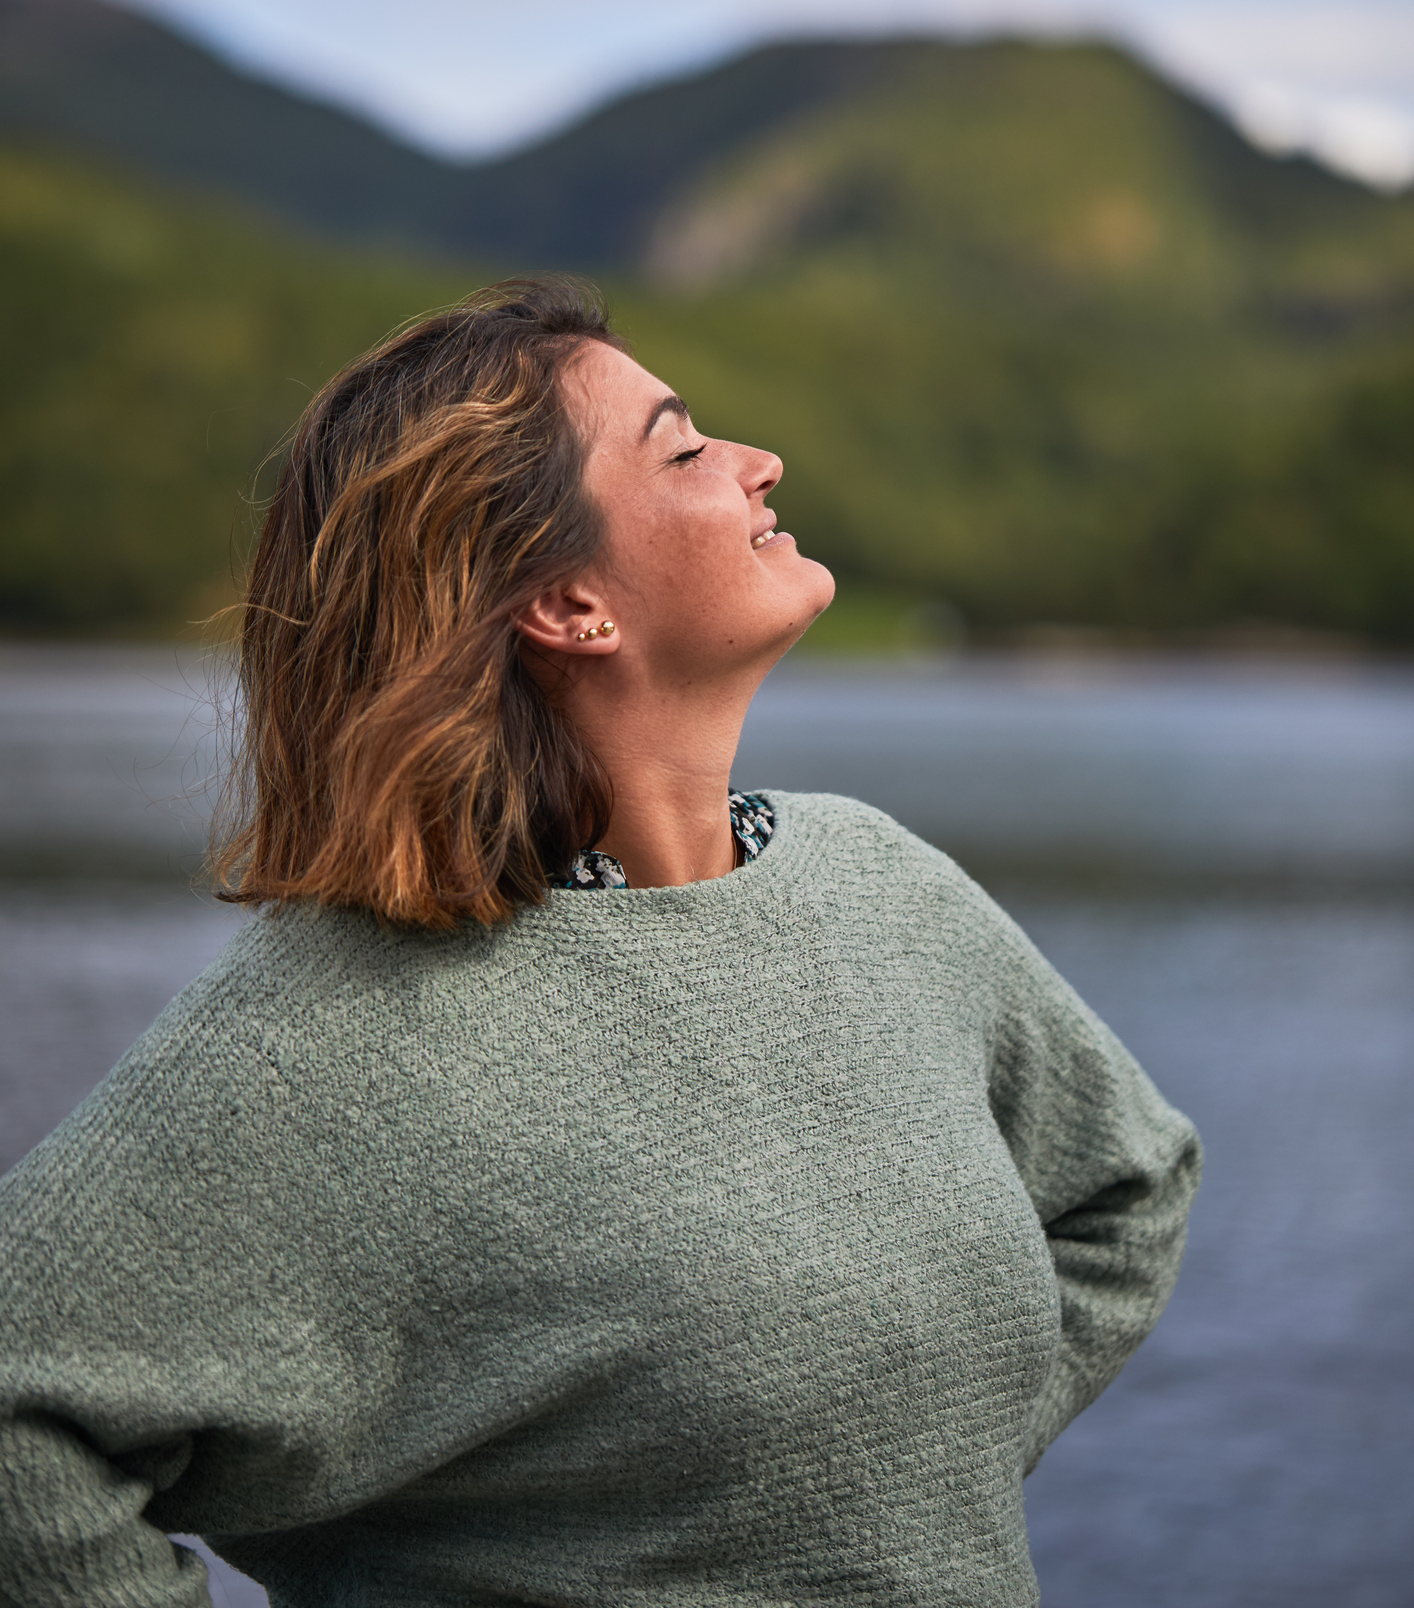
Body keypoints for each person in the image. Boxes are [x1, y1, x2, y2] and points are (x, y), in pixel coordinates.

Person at [0, 279, 1200, 1607]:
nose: (758, 463)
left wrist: (893, 1459)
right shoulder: (338, 1028)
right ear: (567, 601)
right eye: (684, 448)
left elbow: (1124, 1185)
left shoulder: (877, 883)